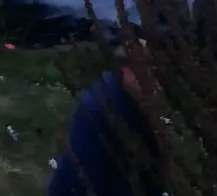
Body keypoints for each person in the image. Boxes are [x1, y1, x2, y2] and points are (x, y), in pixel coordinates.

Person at [47, 42, 162, 195]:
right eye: (143, 73)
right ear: (125, 70)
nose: (154, 84)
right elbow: (80, 176)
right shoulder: (99, 108)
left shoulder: (144, 104)